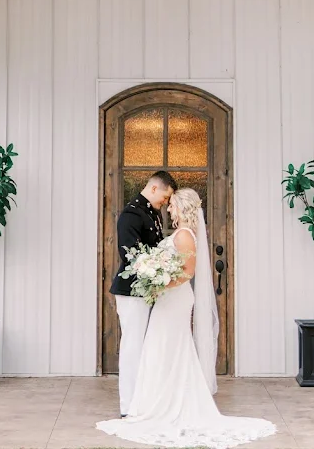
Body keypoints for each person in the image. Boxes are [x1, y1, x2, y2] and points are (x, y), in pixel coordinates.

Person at [98, 188, 277, 448]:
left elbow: (187, 273)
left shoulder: (184, 235)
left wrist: (160, 283)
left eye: (172, 206)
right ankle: (158, 401)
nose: (168, 209)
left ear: (182, 209)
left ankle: (168, 405)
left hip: (174, 301)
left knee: (167, 348)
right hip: (167, 301)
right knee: (163, 350)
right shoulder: (181, 234)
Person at [110, 170, 178, 418]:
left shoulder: (151, 212)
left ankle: (145, 400)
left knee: (146, 346)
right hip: (132, 292)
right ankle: (128, 405)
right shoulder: (131, 214)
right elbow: (130, 256)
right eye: (165, 197)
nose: (165, 203)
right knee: (133, 346)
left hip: (147, 291)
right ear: (153, 189)